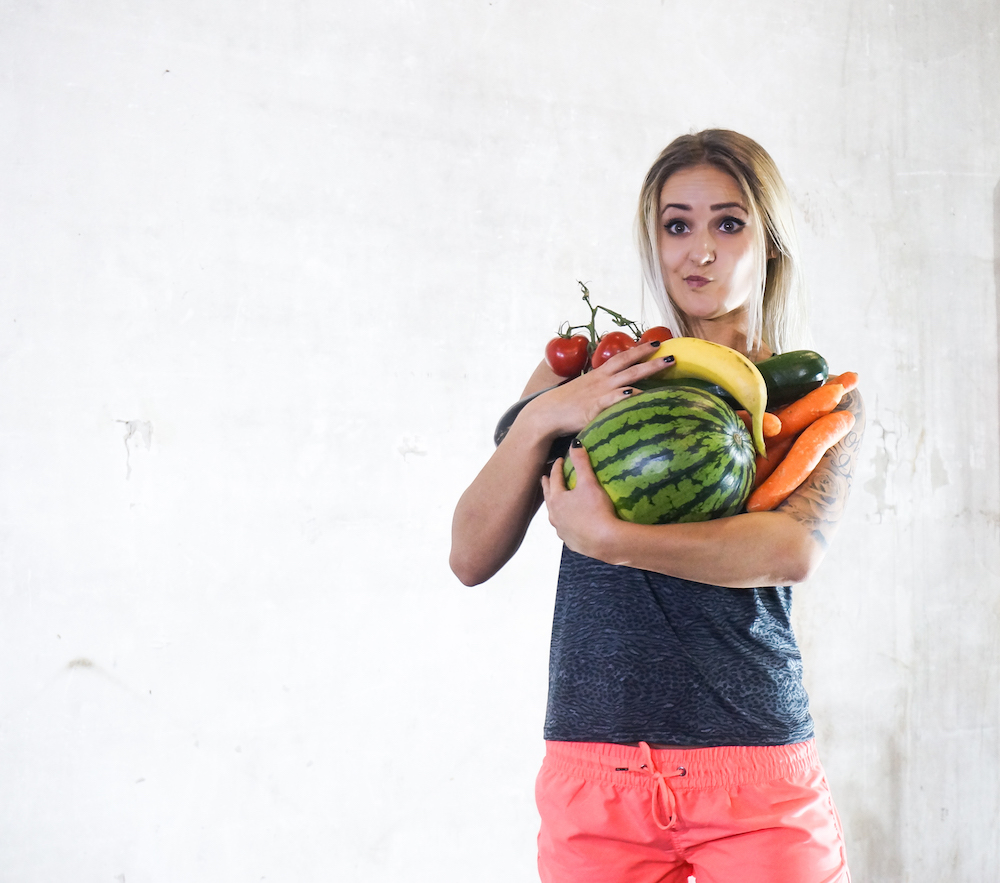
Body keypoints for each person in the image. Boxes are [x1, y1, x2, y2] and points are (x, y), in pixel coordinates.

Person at [450, 129, 864, 883]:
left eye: (728, 223)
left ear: (770, 241)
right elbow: (469, 554)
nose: (698, 251)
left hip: (754, 766)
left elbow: (791, 550)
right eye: (677, 224)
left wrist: (610, 539)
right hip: (594, 768)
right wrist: (548, 413)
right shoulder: (593, 366)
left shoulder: (815, 394)